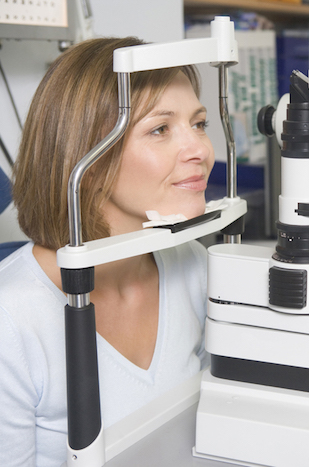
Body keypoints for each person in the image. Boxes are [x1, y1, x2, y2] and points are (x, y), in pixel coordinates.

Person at [0, 37, 215, 466]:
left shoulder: (190, 263)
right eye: (160, 129)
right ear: (88, 156)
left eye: (199, 123)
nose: (200, 151)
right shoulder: (13, 320)